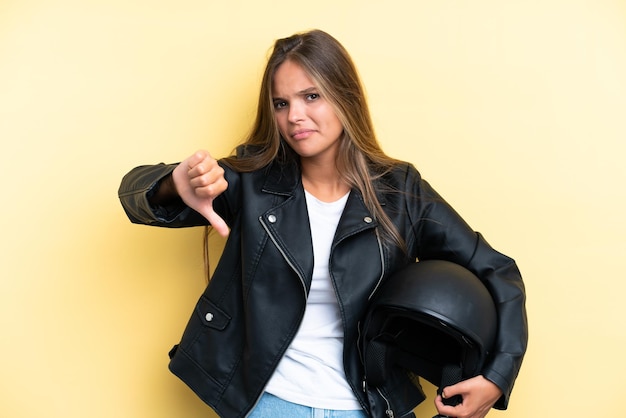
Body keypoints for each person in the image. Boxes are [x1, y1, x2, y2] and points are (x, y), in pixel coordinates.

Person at [118, 29, 528, 418]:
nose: (295, 116)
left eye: (311, 96)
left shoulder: (399, 191)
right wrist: (173, 183)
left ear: (344, 96)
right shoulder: (252, 181)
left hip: (364, 405)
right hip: (270, 403)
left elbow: (498, 270)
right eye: (281, 103)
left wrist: (496, 377)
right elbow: (135, 194)